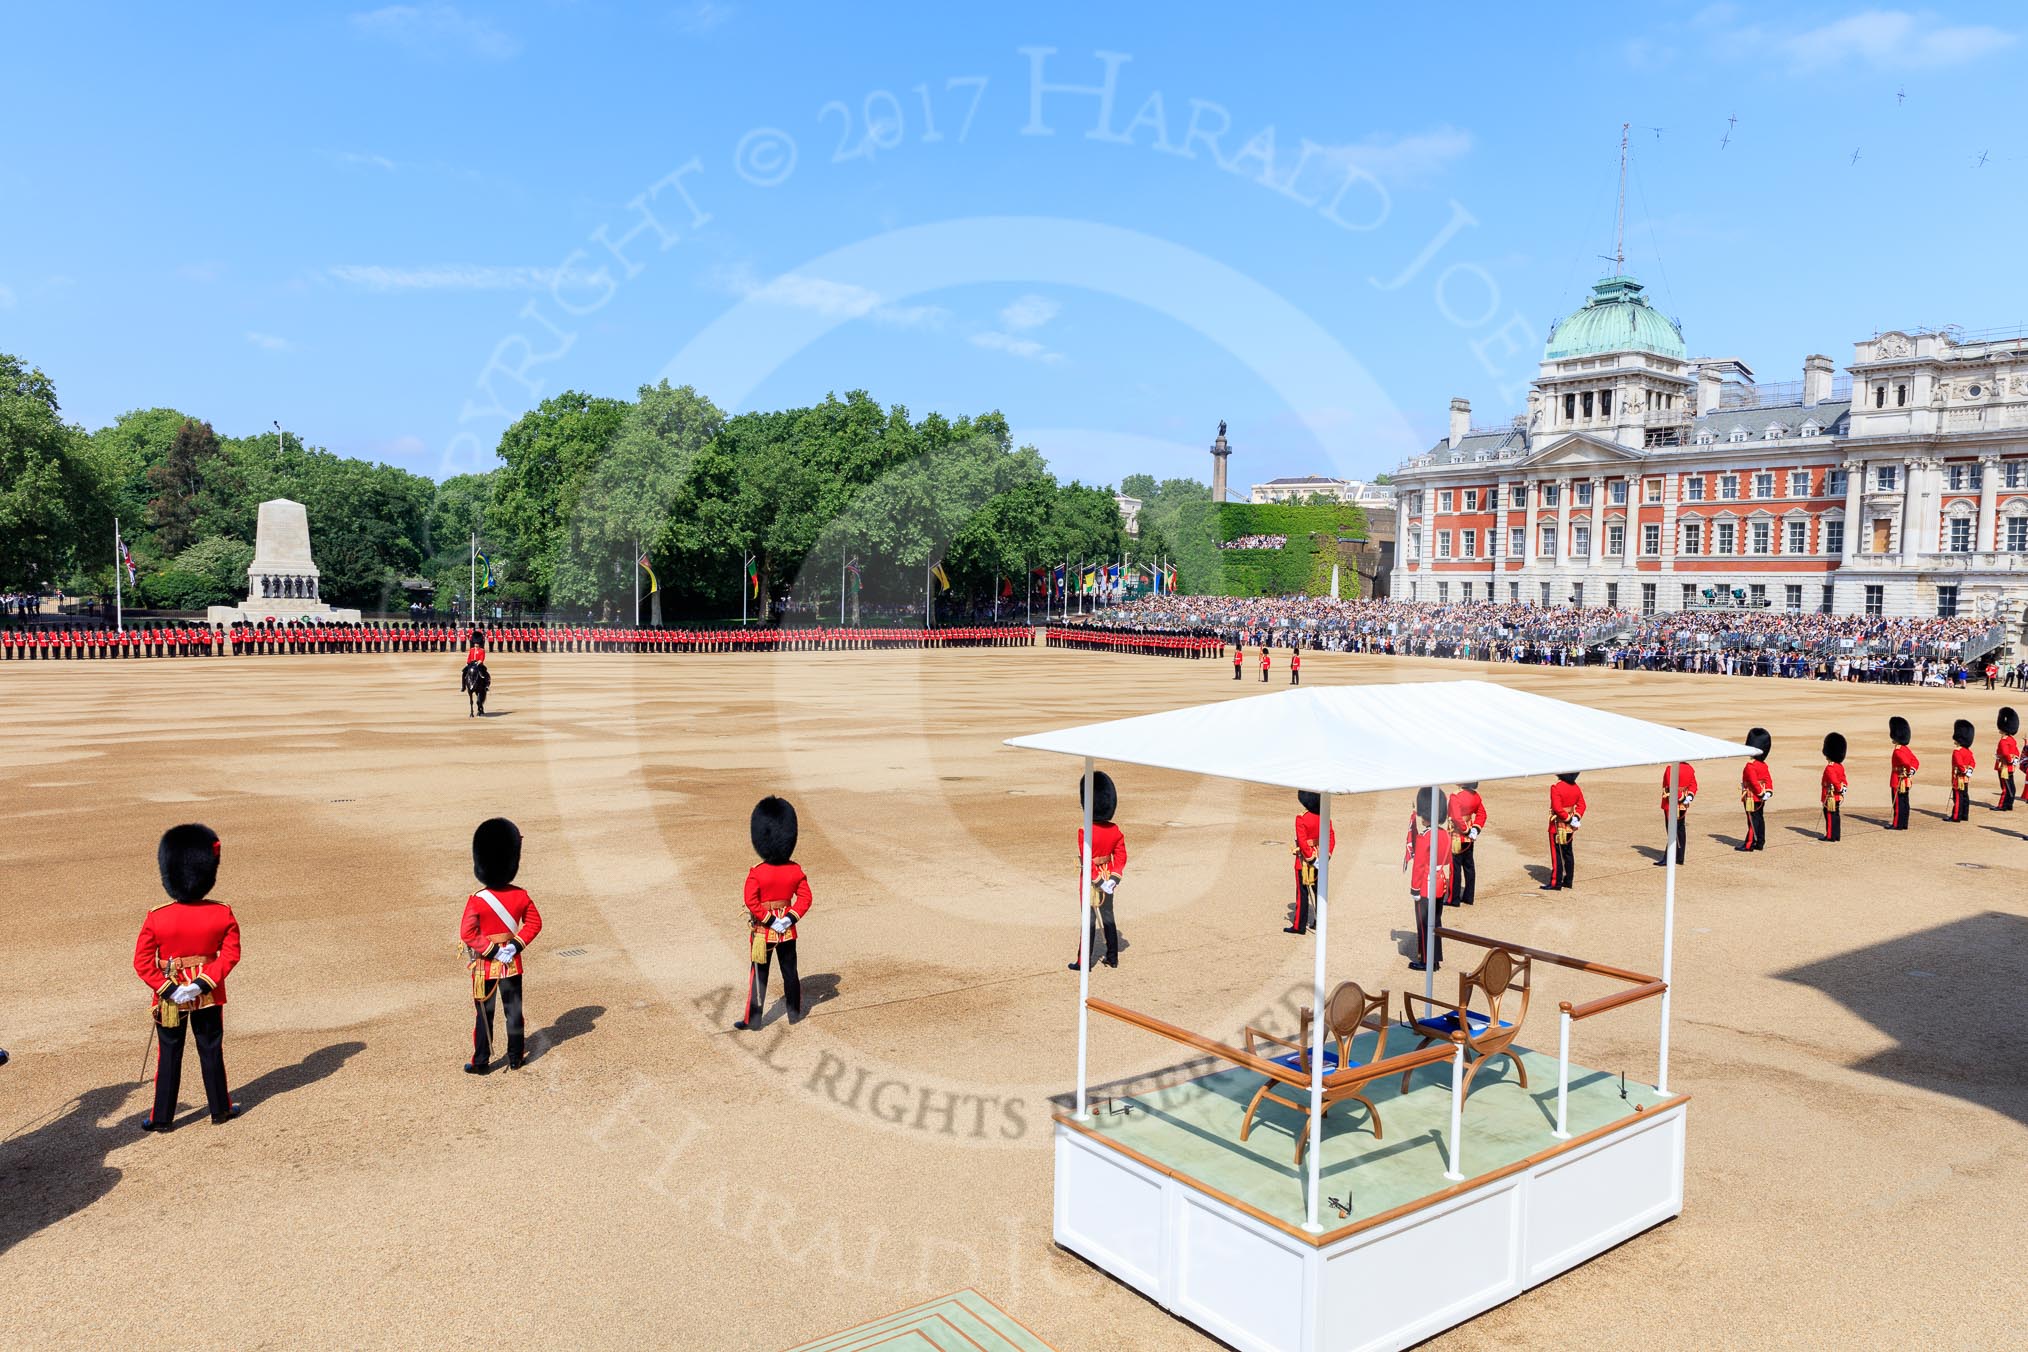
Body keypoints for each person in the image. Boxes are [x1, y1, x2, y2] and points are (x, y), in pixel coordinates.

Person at [133, 824, 241, 1130]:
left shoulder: (158, 916)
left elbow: (142, 962)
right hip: (207, 995)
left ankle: (162, 1117)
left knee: (168, 1055)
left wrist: (170, 990)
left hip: (170, 1000)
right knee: (210, 1050)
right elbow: (230, 955)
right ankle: (220, 1109)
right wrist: (200, 984)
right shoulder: (222, 913)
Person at [460, 818, 542, 1072]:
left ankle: (481, 1061)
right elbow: (534, 924)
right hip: (512, 965)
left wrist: (493, 951)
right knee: (514, 1012)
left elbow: (468, 933)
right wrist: (513, 947)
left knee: (484, 1015)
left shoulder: (477, 900)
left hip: (485, 965)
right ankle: (516, 1057)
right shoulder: (520, 895)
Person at [736, 796, 813, 1029]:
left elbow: (750, 900)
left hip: (763, 931)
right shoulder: (795, 870)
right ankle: (794, 1012)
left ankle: (755, 1019)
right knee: (790, 972)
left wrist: (770, 920)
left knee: (759, 975)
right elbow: (805, 898)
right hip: (788, 931)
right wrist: (788, 918)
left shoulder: (757, 873)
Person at [1069, 771, 1127, 971]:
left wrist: (1097, 880)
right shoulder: (1115, 830)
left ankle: (1083, 962)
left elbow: (1087, 859)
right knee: (1109, 918)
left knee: (1089, 921)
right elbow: (1120, 856)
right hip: (1108, 876)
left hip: (1090, 880)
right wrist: (1112, 878)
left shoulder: (1084, 831)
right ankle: (1112, 958)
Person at [1403, 786, 1453, 972]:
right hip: (1440, 882)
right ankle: (1435, 959)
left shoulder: (1426, 837)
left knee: (1424, 925)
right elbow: (1447, 860)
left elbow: (1419, 866)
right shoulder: (1444, 834)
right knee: (1436, 922)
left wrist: (1415, 889)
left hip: (1425, 885)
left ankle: (1426, 960)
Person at [1286, 790, 1335, 934]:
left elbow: (1302, 841)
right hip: (1320, 856)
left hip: (1304, 860)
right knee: (1319, 892)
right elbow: (1331, 837)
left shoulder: (1301, 818)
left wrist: (1310, 858)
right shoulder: (1324, 816)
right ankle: (1319, 922)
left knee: (1302, 894)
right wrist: (1325, 856)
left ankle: (1299, 926)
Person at [1543, 772, 1584, 890]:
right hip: (1570, 826)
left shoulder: (1556, 787)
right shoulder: (1576, 787)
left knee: (1557, 855)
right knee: (1568, 852)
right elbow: (1582, 805)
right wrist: (1575, 818)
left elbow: (1557, 807)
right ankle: (1568, 880)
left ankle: (1556, 882)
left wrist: (1567, 819)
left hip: (1557, 825)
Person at [1447, 781, 1486, 904]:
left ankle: (1454, 898)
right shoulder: (1475, 795)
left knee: (1455, 868)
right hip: (1469, 838)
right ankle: (1469, 897)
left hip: (1457, 835)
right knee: (1469, 866)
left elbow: (1456, 817)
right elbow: (1482, 814)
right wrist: (1475, 829)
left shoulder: (1455, 796)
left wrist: (1466, 830)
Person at [1658, 761, 1698, 865]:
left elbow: (1670, 786)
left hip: (1671, 803)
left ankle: (1668, 858)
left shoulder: (1670, 769)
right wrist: (1688, 797)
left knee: (1671, 831)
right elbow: (1693, 785)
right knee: (1680, 829)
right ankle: (1680, 857)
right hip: (1683, 804)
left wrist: (1681, 797)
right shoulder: (1689, 769)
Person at [1738, 729, 1772, 852]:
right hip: (1761, 796)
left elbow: (1752, 781)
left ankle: (1749, 844)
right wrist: (1767, 792)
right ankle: (1760, 842)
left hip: (1752, 796)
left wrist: (1761, 793)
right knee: (1759, 818)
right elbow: (1768, 779)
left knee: (1752, 820)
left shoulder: (1750, 766)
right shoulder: (1763, 765)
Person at [1888, 716, 1917, 830]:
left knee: (1898, 803)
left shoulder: (1898, 750)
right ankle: (1904, 823)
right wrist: (1910, 773)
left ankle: (1897, 824)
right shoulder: (1905, 749)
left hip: (1898, 779)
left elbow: (1905, 762)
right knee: (1905, 802)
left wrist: (1907, 770)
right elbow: (1915, 761)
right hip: (1906, 780)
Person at [1821, 733, 1848, 842]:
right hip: (1837, 795)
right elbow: (1843, 779)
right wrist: (1843, 789)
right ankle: (1836, 835)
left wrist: (1839, 788)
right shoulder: (1839, 766)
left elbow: (1834, 780)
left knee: (1829, 815)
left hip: (1830, 795)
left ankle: (1830, 835)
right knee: (1836, 815)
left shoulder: (1830, 767)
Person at [1947, 719, 1975, 822]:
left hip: (1958, 777)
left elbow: (1959, 764)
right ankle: (1964, 815)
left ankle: (1956, 816)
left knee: (1958, 797)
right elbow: (1973, 763)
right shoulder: (1968, 751)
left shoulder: (1957, 751)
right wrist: (1968, 772)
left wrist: (1963, 771)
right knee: (1965, 796)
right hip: (1966, 778)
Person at [1996, 707, 2019, 812]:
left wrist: (2009, 760)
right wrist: (2014, 760)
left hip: (2004, 766)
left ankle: (2002, 805)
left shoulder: (2003, 741)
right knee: (2011, 786)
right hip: (2010, 766)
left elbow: (2005, 753)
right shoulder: (2012, 739)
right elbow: (2016, 752)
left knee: (2005, 787)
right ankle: (2009, 804)